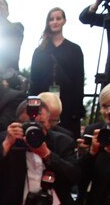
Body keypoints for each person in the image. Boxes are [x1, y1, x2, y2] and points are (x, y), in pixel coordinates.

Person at [29, 8, 85, 137]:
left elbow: (79, 80)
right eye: (51, 19)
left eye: (58, 18)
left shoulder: (74, 49)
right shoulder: (40, 51)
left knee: (67, 137)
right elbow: (34, 80)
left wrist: (77, 108)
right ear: (47, 22)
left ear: (64, 21)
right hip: (43, 100)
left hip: (68, 101)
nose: (55, 22)